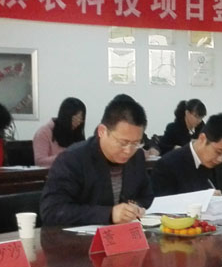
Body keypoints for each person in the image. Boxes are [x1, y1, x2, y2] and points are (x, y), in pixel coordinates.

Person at [40, 94, 154, 226]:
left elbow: (146, 196)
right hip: (79, 237)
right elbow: (52, 210)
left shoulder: (137, 156)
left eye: (136, 143)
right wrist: (109, 214)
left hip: (124, 233)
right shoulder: (72, 159)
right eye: (123, 143)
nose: (128, 151)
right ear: (102, 131)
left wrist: (135, 207)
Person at [150, 112, 222, 199]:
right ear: (202, 139)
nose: (220, 159)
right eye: (218, 152)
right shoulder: (167, 165)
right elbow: (163, 205)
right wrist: (201, 199)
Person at [32, 97, 86, 167]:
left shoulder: (76, 133)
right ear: (65, 116)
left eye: (81, 119)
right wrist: (67, 156)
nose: (78, 122)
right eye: (75, 118)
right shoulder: (44, 133)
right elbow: (40, 162)